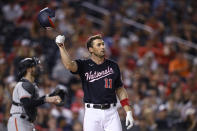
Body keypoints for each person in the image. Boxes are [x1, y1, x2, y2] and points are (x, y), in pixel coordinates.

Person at [55, 34, 134, 131]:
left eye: (103, 44)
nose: (102, 47)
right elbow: (69, 65)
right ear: (91, 49)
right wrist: (61, 47)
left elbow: (120, 89)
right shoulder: (84, 65)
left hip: (112, 112)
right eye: (99, 45)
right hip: (92, 113)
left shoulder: (113, 65)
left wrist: (128, 111)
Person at [7, 57, 62, 131]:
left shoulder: (32, 85)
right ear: (29, 69)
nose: (38, 68)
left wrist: (51, 96)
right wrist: (46, 99)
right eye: (35, 66)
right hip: (20, 120)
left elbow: (35, 102)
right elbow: (27, 104)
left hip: (28, 122)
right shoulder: (23, 84)